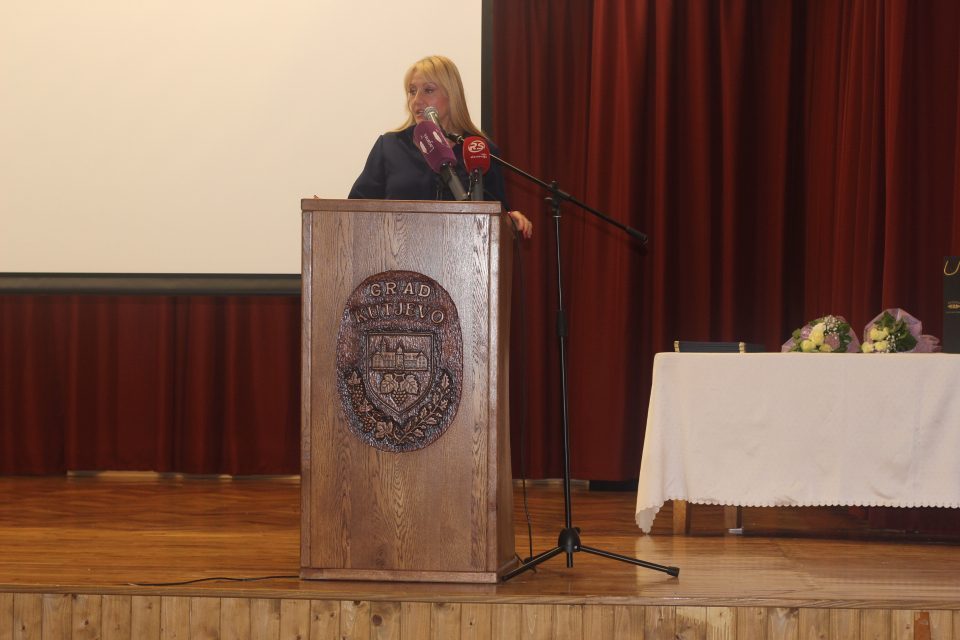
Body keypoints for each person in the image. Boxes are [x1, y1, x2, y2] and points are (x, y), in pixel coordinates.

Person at [349, 55, 533, 239]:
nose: (416, 100)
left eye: (428, 90)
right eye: (412, 91)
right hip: (397, 251)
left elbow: (496, 213)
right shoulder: (390, 146)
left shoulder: (478, 149)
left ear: (452, 95)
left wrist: (508, 220)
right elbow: (356, 207)